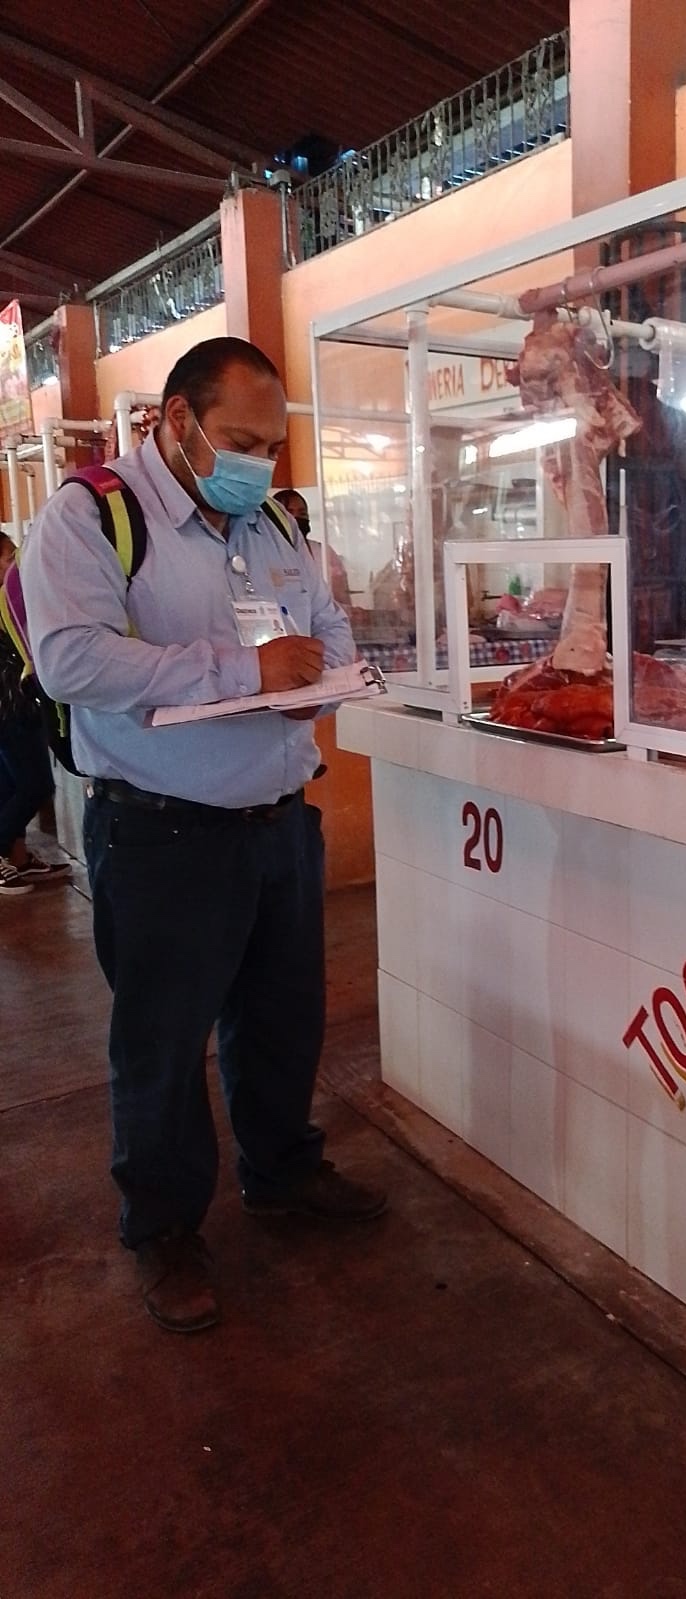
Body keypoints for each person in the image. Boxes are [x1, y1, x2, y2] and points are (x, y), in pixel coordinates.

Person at [20, 336, 387, 1336]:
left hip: (280, 823)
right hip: (163, 836)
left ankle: (282, 1171)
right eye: (241, 441)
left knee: (282, 1021)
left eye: (271, 447)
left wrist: (322, 680)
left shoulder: (275, 523)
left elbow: (328, 630)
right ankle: (165, 1228)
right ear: (176, 420)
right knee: (163, 1042)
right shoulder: (94, 517)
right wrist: (245, 671)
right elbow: (71, 660)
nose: (258, 465)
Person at [0, 533, 70, 895]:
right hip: (12, 708)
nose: (16, 564)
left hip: (16, 706)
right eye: (8, 557)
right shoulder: (9, 599)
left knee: (10, 786)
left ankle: (18, 858)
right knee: (36, 785)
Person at [275, 487, 353, 609]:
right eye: (289, 513)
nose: (296, 519)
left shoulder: (323, 552)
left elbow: (343, 599)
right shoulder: (267, 553)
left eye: (302, 513)